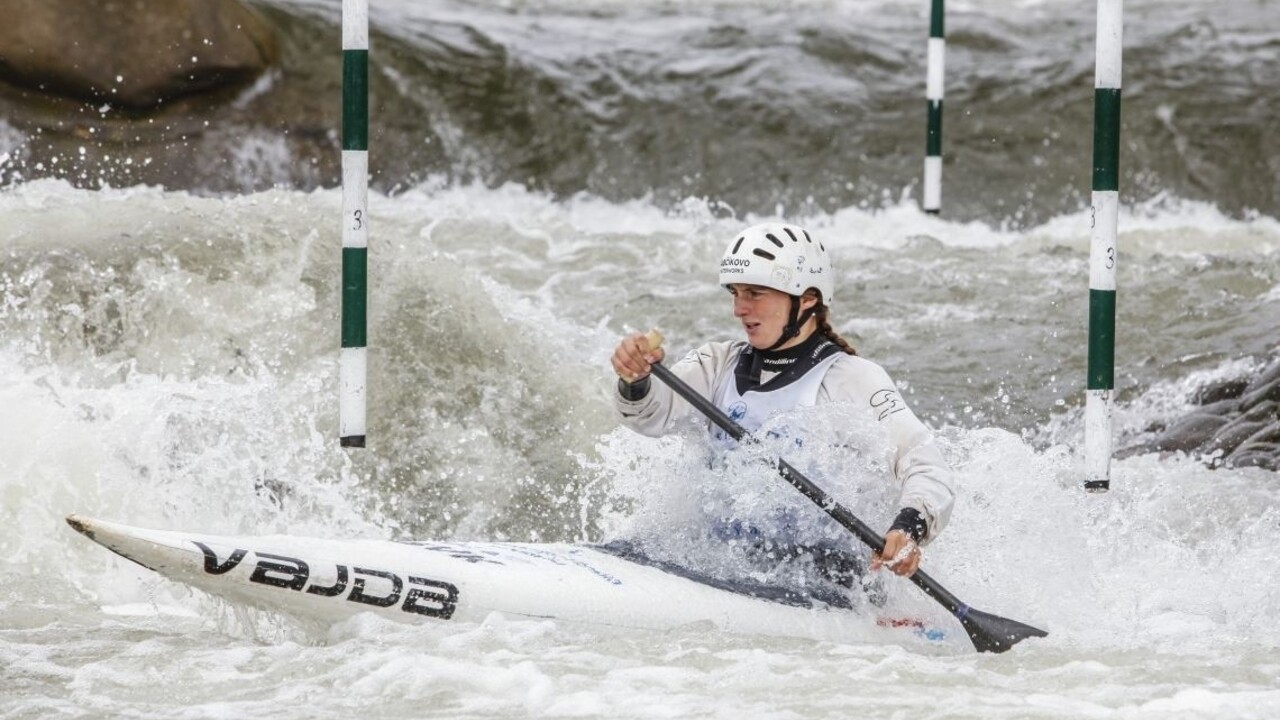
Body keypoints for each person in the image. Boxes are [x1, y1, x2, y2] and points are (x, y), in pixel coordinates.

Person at [610, 222, 955, 589]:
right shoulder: (716, 363)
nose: (739, 309)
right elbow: (648, 417)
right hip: (718, 561)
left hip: (821, 582)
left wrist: (909, 527)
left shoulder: (854, 379)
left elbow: (925, 463)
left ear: (806, 299)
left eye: (755, 293)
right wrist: (635, 378)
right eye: (736, 293)